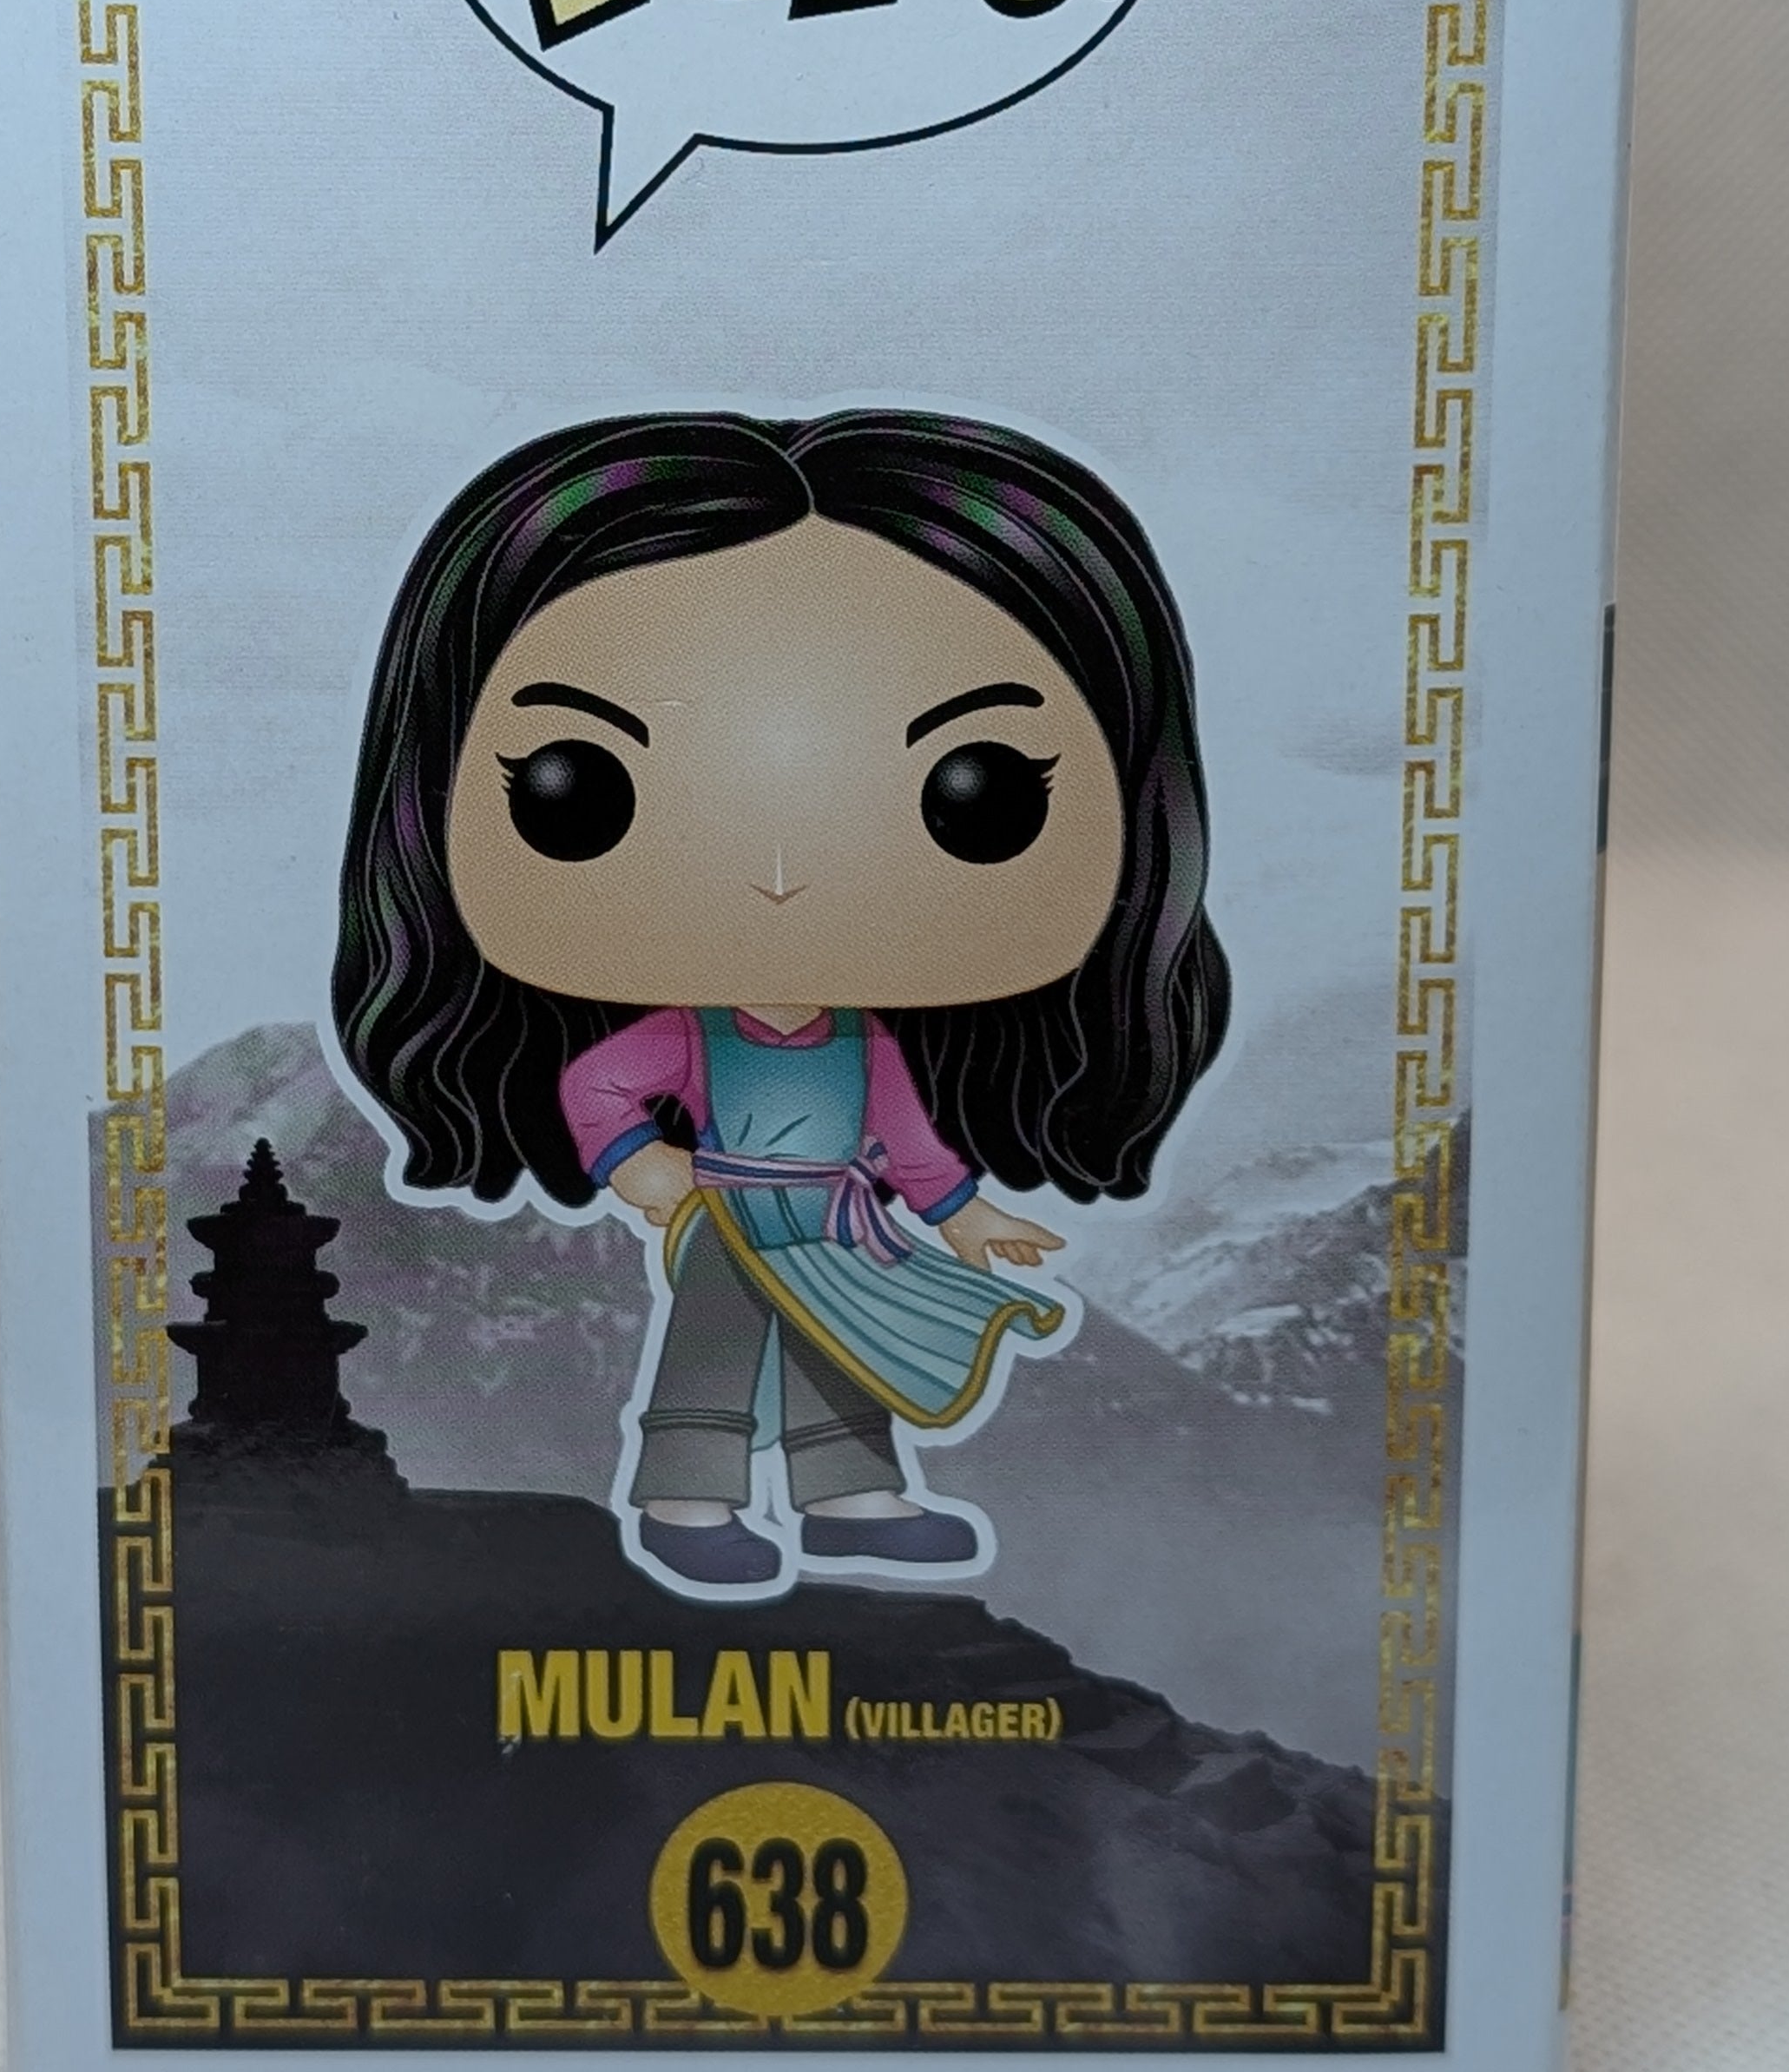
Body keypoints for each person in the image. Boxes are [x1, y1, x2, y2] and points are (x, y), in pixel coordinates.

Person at [332, 409, 1229, 1595]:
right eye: (576, 789)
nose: (778, 879)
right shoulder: (694, 1036)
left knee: (841, 1354)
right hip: (732, 1216)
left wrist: (966, 1217)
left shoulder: (863, 1040)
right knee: (713, 1354)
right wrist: (642, 1166)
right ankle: (687, 1500)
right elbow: (597, 1084)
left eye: (982, 793)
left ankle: (849, 1497)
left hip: (842, 1222)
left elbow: (905, 1140)